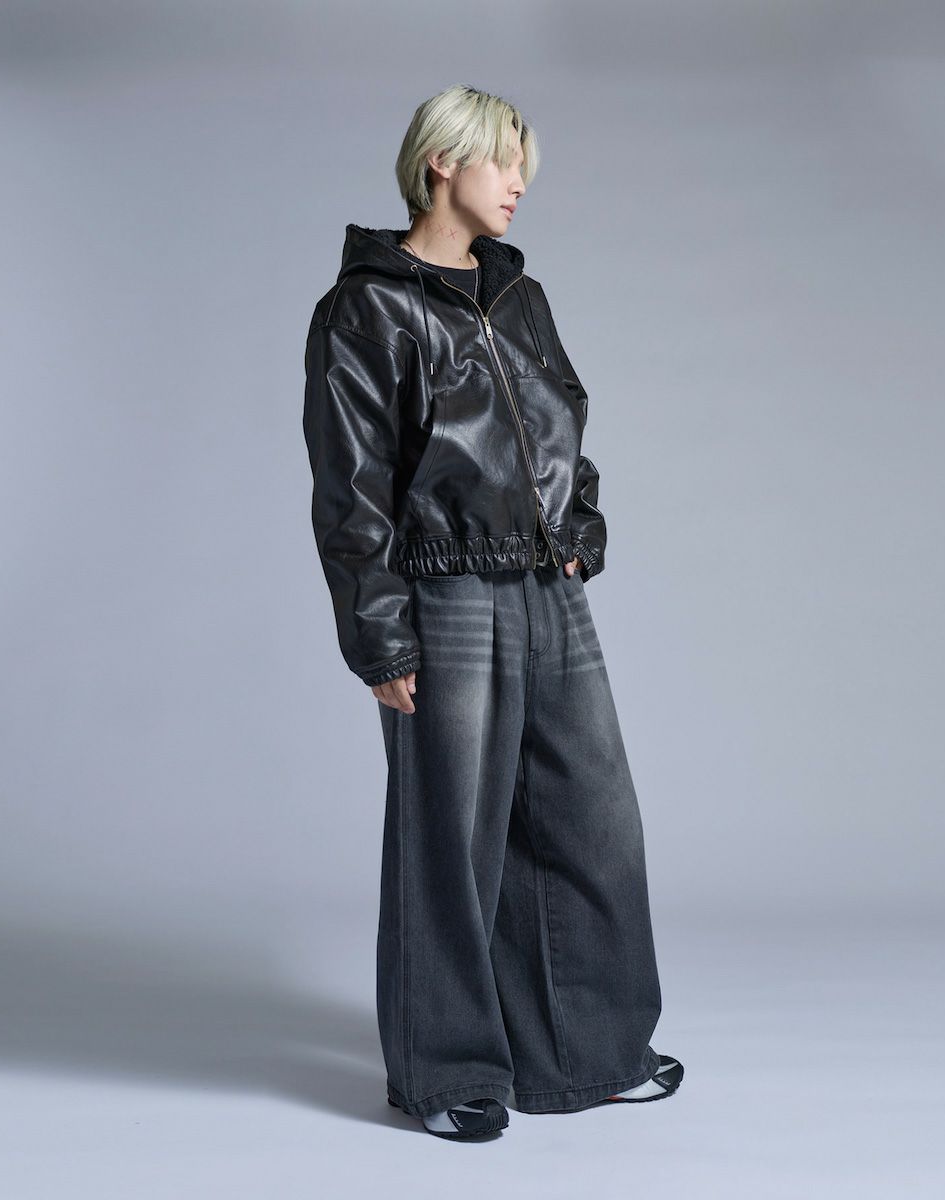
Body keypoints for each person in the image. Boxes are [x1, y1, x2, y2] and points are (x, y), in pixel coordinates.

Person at [302, 83, 683, 1140]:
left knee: (590, 820)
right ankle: (449, 1071)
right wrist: (380, 633)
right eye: (502, 161)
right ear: (442, 161)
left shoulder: (520, 296)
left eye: (523, 165)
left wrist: (581, 527)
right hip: (446, 589)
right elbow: (351, 486)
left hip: (546, 585)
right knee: (451, 838)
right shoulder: (368, 308)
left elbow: (562, 423)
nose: (518, 183)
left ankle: (587, 1053)